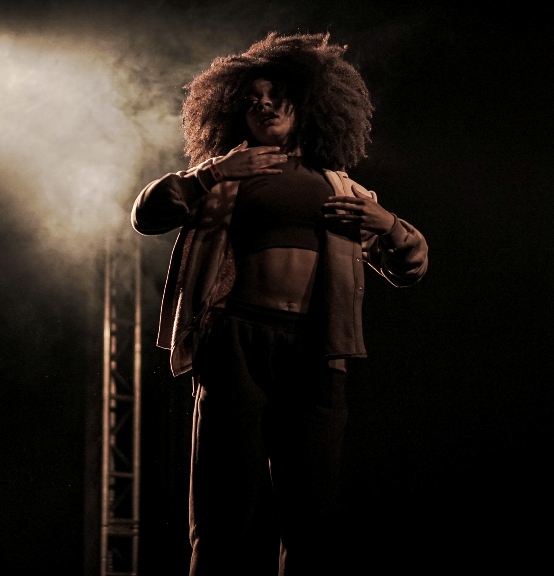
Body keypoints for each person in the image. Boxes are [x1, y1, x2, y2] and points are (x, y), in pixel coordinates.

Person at [131, 32, 428, 575]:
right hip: (235, 344)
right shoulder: (224, 174)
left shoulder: (340, 186)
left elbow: (409, 266)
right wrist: (212, 172)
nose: (263, 104)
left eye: (276, 96)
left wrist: (388, 225)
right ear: (234, 112)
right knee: (220, 511)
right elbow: (147, 214)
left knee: (310, 517)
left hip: (315, 351)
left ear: (307, 104)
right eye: (252, 99)